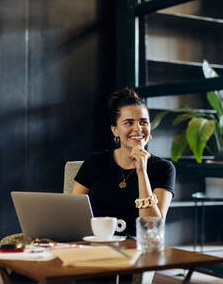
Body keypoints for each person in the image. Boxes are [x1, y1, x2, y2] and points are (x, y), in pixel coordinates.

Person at [72, 88, 175, 236]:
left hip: (136, 247)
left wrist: (141, 171)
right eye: (129, 123)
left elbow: (152, 228)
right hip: (93, 242)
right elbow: (73, 212)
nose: (138, 129)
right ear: (115, 130)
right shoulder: (95, 162)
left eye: (143, 122)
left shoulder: (163, 168)